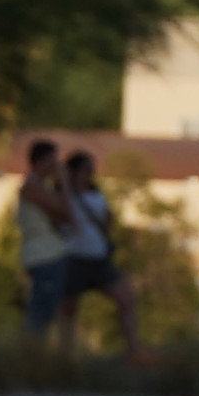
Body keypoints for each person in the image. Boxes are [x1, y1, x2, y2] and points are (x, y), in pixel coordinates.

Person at [61, 149, 145, 357]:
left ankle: (134, 349)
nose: (89, 174)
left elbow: (107, 218)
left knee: (126, 298)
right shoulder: (64, 195)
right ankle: (65, 354)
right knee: (68, 309)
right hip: (74, 257)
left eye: (91, 170)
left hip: (97, 259)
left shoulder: (96, 194)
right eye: (85, 170)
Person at [16, 139, 85, 346]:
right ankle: (30, 356)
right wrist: (64, 182)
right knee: (41, 314)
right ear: (43, 161)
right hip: (44, 256)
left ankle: (38, 354)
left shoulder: (41, 187)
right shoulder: (32, 187)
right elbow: (65, 211)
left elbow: (65, 219)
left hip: (52, 254)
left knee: (50, 310)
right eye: (54, 161)